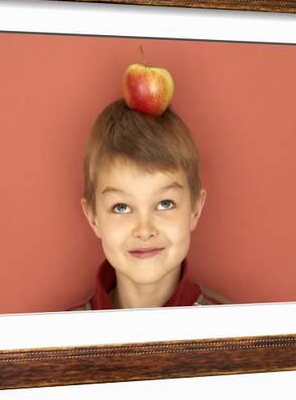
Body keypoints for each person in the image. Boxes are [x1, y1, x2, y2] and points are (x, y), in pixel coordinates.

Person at [69, 98, 229, 311]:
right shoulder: (58, 339)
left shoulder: (239, 335)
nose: (144, 231)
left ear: (195, 209)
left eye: (165, 204)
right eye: (121, 207)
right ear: (93, 217)